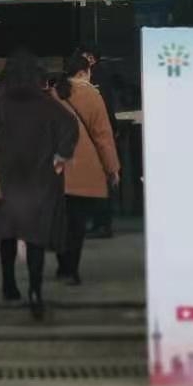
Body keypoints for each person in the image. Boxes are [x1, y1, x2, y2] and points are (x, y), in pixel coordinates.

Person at [0, 50, 77, 320]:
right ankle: (35, 292)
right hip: (39, 178)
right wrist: (60, 156)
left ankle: (9, 286)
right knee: (35, 237)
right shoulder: (46, 102)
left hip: (7, 177)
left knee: (7, 233)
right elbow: (70, 125)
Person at [54, 54, 121, 286]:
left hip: (55, 168)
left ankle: (62, 265)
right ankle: (71, 270)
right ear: (84, 72)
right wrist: (112, 168)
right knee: (77, 224)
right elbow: (103, 137)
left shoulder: (53, 94)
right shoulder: (93, 95)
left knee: (60, 221)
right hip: (84, 170)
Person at [79, 47, 121, 240]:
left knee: (101, 181)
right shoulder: (102, 75)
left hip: (97, 137)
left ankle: (102, 224)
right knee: (101, 181)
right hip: (101, 135)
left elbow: (104, 110)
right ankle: (101, 223)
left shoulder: (97, 77)